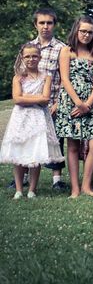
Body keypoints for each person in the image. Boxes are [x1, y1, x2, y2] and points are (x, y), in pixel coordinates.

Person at [0, 43, 63, 199]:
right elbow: (17, 99)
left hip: (39, 118)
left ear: (40, 57)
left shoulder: (45, 77)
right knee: (19, 152)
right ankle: (19, 189)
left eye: (34, 56)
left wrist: (26, 97)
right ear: (22, 57)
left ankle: (32, 189)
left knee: (36, 152)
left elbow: (46, 99)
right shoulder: (18, 77)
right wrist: (35, 98)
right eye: (27, 56)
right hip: (21, 118)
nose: (31, 59)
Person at [56, 16, 93, 198]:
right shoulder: (66, 51)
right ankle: (75, 188)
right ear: (76, 31)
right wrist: (78, 103)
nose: (86, 35)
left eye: (90, 32)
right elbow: (65, 79)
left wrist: (88, 104)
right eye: (83, 31)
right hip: (71, 102)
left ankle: (86, 185)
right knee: (73, 145)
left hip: (91, 103)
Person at [29, 8, 66, 190]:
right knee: (31, 140)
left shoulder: (61, 48)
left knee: (55, 140)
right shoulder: (28, 47)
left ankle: (56, 179)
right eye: (41, 23)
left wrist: (59, 102)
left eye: (49, 23)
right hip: (32, 104)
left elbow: (65, 78)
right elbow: (21, 76)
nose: (45, 26)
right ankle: (26, 176)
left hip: (53, 103)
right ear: (36, 24)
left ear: (54, 25)